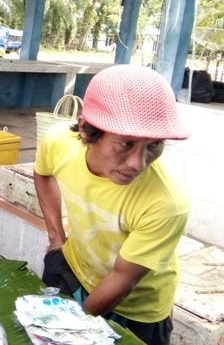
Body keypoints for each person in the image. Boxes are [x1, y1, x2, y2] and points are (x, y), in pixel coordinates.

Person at [34, 64, 191, 345]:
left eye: (154, 145)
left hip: (137, 311)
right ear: (85, 129)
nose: (138, 163)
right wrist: (56, 236)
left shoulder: (167, 203)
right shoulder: (58, 141)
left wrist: (70, 331)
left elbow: (122, 279)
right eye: (126, 143)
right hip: (74, 269)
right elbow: (43, 173)